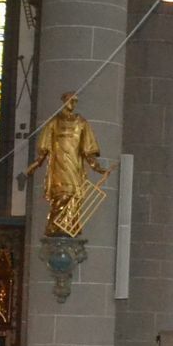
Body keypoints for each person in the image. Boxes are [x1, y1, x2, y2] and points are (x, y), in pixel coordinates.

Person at [24, 92, 108, 237]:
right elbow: (44, 148)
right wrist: (36, 164)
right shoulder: (54, 122)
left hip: (74, 167)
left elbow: (88, 150)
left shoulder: (81, 122)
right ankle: (54, 226)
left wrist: (97, 167)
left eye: (75, 101)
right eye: (71, 100)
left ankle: (70, 226)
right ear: (64, 101)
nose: (73, 103)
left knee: (74, 197)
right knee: (61, 196)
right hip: (58, 167)